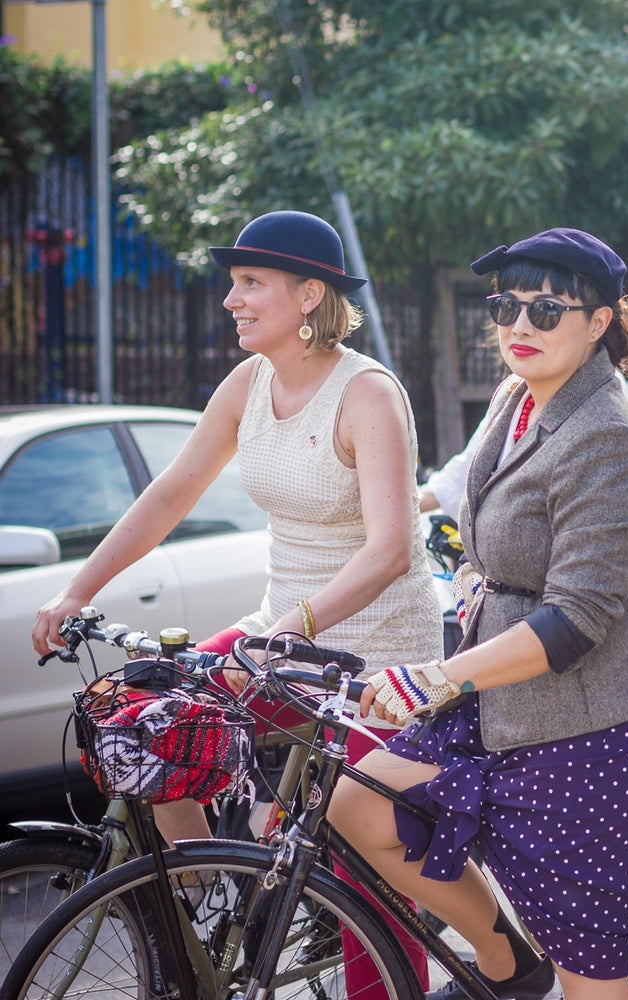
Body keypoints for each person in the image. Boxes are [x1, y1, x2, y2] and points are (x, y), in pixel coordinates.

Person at [30, 209, 442, 996]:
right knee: (145, 725)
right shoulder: (249, 383)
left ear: (310, 295)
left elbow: (390, 550)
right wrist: (79, 586)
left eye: (251, 283)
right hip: (280, 635)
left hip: (378, 655)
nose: (232, 299)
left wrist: (292, 629)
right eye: (234, 283)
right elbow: (170, 493)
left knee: (369, 881)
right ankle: (213, 895)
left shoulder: (367, 395)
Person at [328, 228, 628, 1000]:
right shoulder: (517, 396)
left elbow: (576, 620)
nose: (519, 326)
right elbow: (480, 517)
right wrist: (465, 573)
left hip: (596, 726)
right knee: (359, 806)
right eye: (506, 306)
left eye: (547, 309)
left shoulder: (609, 435)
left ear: (598, 323)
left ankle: (542, 966)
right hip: (500, 701)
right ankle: (504, 965)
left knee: (587, 967)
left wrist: (438, 677)